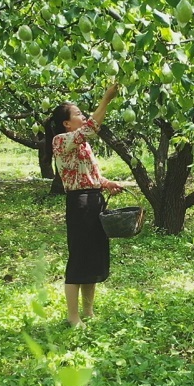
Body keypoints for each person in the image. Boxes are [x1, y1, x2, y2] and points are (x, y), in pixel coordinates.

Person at [49, 82, 125, 326]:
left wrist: (107, 183)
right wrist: (106, 99)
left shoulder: (82, 144)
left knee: (93, 257)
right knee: (79, 258)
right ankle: (73, 317)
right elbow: (92, 127)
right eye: (78, 114)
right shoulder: (61, 140)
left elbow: (91, 175)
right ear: (66, 123)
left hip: (94, 199)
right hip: (79, 203)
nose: (83, 116)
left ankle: (88, 311)